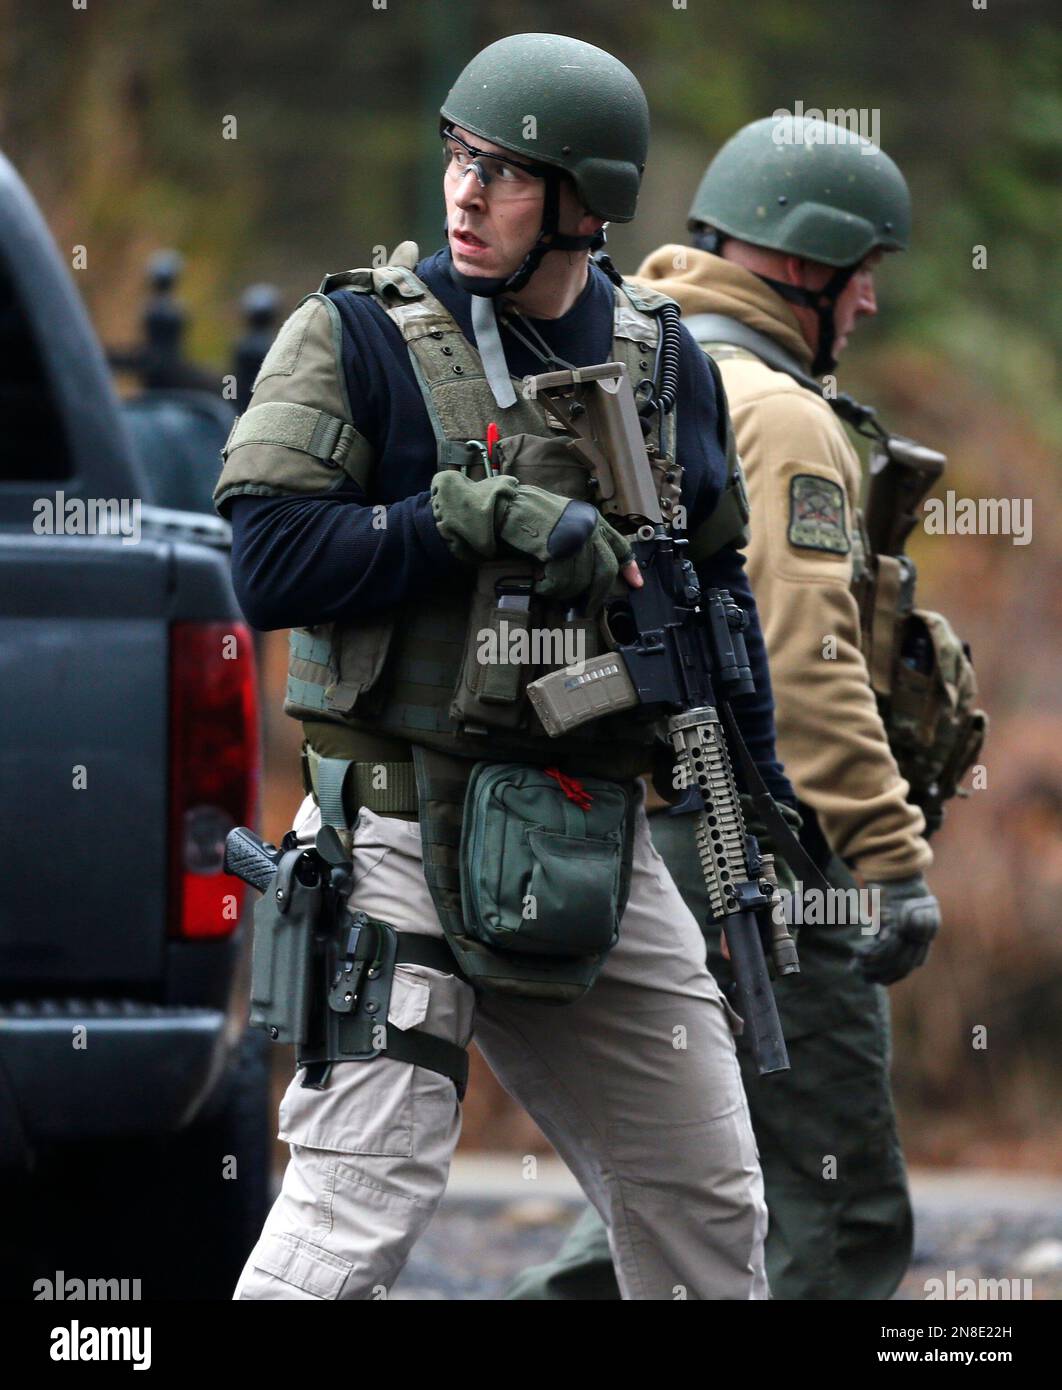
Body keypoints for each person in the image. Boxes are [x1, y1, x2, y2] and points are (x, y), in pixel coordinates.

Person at [214, 36, 797, 1301]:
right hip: (392, 828)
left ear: (585, 204)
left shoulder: (665, 364)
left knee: (708, 1202)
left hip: (583, 832)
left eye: (509, 172)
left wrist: (758, 780)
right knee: (352, 1208)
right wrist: (450, 524)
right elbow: (260, 559)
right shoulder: (356, 336)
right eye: (459, 157)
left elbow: (718, 588)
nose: (466, 194)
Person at [510, 115, 944, 1302]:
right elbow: (806, 662)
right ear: (804, 266)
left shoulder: (633, 358)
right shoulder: (782, 410)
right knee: (834, 1209)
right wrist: (887, 855)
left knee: (672, 1193)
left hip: (607, 834)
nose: (866, 308)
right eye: (862, 278)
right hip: (755, 843)